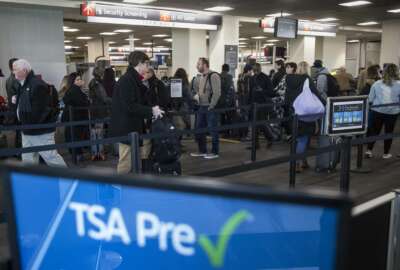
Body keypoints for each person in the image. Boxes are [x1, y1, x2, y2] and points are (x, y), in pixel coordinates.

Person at [110, 51, 164, 174]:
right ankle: (119, 190)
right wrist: (151, 110)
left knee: (132, 161)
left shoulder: (132, 79)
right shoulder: (127, 80)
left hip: (131, 127)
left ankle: (127, 188)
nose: (148, 67)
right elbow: (129, 106)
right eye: (147, 64)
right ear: (139, 63)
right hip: (126, 128)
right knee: (126, 162)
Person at [12, 59, 66, 167]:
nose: (13, 72)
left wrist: (30, 125)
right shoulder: (22, 85)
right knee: (28, 159)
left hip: (39, 131)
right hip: (27, 129)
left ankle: (70, 181)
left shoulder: (37, 85)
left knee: (51, 158)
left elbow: (40, 110)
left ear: (24, 70)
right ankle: (32, 183)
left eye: (15, 70)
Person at [285, 61, 325, 172]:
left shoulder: (288, 79)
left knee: (296, 138)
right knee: (303, 139)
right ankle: (297, 163)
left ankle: (303, 161)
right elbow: (316, 93)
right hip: (304, 113)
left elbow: (286, 97)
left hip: (292, 112)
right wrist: (325, 103)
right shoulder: (307, 79)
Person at [365, 64, 400, 159]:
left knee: (374, 132)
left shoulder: (376, 84)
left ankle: (369, 151)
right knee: (389, 132)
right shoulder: (399, 84)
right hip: (392, 112)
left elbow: (371, 99)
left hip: (377, 111)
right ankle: (386, 153)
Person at [190, 57, 221, 159]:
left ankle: (215, 152)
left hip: (210, 107)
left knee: (213, 130)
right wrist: (197, 96)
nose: (197, 66)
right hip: (201, 107)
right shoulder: (202, 77)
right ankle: (202, 150)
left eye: (199, 64)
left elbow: (217, 93)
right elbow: (202, 92)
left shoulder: (214, 75)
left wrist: (211, 106)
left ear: (205, 65)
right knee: (199, 129)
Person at [62, 72, 90, 162]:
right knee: (75, 137)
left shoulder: (72, 90)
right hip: (76, 118)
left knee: (72, 137)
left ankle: (76, 155)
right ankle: (77, 156)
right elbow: (83, 103)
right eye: (77, 79)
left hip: (73, 118)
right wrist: (88, 101)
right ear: (73, 81)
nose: (80, 81)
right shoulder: (75, 91)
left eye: (80, 79)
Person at [248, 63, 276, 149]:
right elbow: (250, 92)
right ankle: (256, 144)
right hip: (254, 104)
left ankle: (270, 138)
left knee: (261, 123)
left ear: (259, 68)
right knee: (255, 124)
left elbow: (271, 92)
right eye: (254, 69)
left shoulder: (265, 78)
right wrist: (249, 103)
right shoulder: (252, 78)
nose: (255, 71)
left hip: (263, 104)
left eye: (256, 69)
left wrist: (262, 91)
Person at [89, 66, 112, 161]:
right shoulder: (97, 84)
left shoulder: (92, 82)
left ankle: (95, 152)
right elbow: (104, 98)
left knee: (94, 132)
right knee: (99, 132)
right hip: (100, 111)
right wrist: (116, 100)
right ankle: (99, 153)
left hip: (94, 110)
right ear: (100, 74)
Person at [220, 64, 235, 137]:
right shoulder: (229, 77)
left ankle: (223, 131)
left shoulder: (218, 76)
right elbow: (229, 88)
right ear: (228, 69)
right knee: (229, 117)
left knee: (222, 116)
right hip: (228, 100)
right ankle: (227, 132)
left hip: (220, 100)